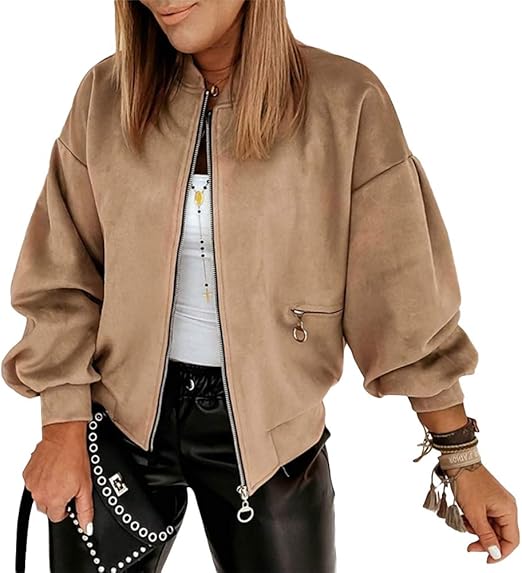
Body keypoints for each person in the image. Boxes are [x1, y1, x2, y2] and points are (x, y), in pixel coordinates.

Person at [2, 0, 519, 571]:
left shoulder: (346, 103)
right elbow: (63, 276)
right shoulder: (105, 95)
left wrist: (461, 458)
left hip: (271, 444)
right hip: (116, 431)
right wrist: (61, 425)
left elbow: (402, 297)